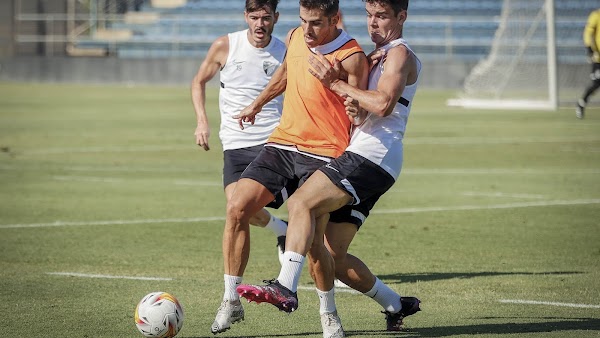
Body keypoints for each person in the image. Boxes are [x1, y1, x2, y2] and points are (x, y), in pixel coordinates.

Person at [237, 0, 421, 335]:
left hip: (372, 157)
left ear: (401, 17)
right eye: (369, 15)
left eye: (381, 16)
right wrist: (352, 107)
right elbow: (365, 112)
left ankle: (285, 286)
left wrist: (334, 84)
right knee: (334, 255)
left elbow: (383, 103)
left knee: (300, 203)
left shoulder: (399, 54)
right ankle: (397, 304)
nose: (372, 23)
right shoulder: (375, 56)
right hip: (369, 155)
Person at [210, 0, 368, 335]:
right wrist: (256, 104)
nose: (307, 30)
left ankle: (328, 314)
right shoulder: (296, 37)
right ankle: (230, 301)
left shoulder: (352, 55)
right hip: (282, 143)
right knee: (237, 206)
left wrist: (352, 106)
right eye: (303, 21)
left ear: (334, 19)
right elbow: (285, 74)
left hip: (325, 154)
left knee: (315, 247)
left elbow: (361, 113)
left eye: (316, 23)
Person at [576, 8, 600, 119]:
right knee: (596, 84)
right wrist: (589, 48)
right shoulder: (596, 15)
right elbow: (588, 32)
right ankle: (581, 103)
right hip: (598, 59)